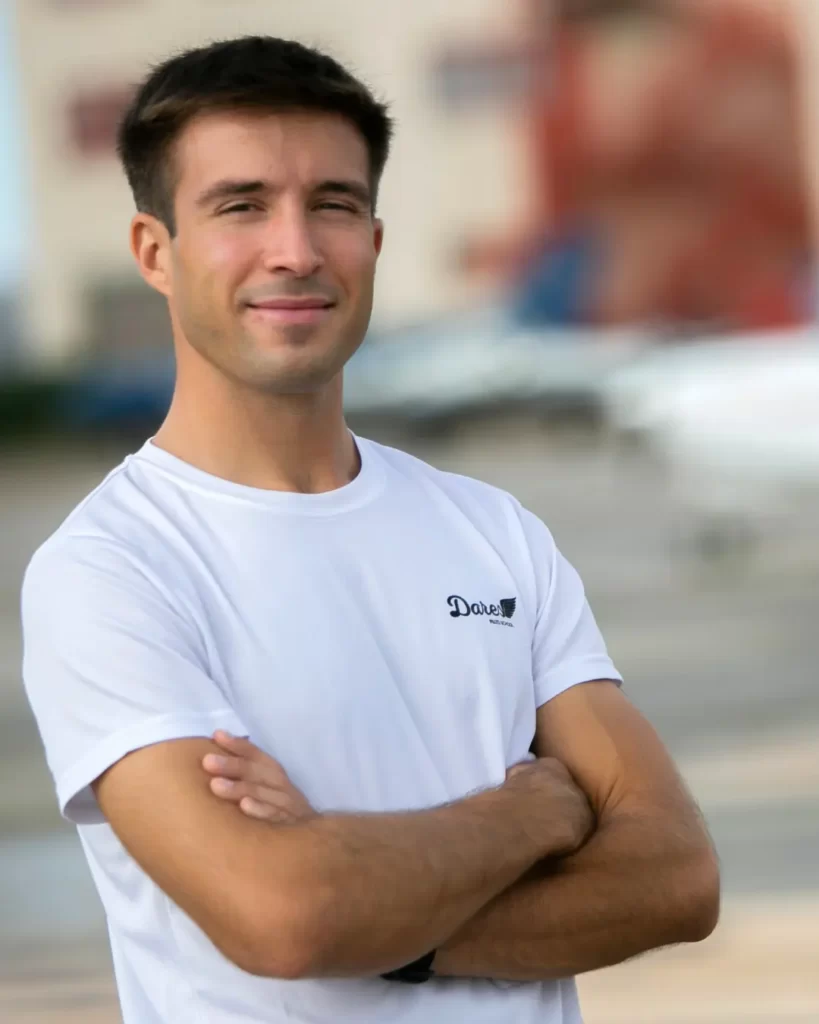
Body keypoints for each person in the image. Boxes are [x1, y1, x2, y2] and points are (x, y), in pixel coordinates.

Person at [20, 35, 719, 1024]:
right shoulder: (109, 571)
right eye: (241, 205)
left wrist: (382, 919)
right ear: (153, 251)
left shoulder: (494, 532)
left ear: (376, 242)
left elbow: (675, 876)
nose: (296, 250)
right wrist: (532, 810)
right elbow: (285, 917)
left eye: (334, 204)